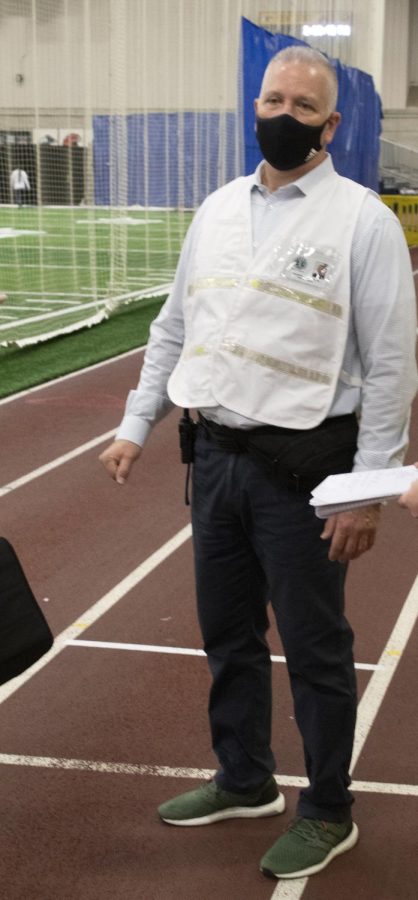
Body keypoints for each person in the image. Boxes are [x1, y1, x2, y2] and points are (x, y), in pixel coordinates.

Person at [100, 46, 417, 880]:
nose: (284, 114)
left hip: (307, 476)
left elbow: (391, 368)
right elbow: (173, 328)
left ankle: (328, 809)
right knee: (227, 635)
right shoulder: (217, 211)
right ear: (254, 105)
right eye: (272, 98)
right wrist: (138, 424)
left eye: (303, 106)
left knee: (315, 648)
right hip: (214, 459)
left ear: (331, 125)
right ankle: (244, 779)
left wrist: (369, 492)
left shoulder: (363, 221)